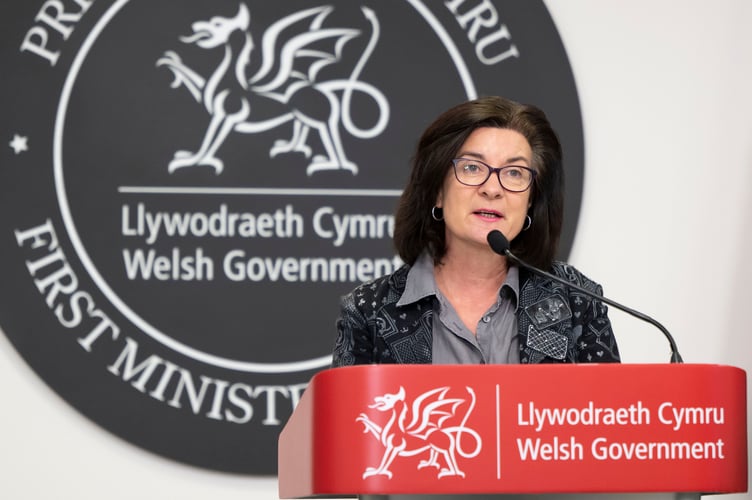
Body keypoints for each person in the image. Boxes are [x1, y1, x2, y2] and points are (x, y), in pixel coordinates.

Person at [332, 96, 620, 366]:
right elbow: (349, 417)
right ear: (437, 192)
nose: (492, 189)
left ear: (531, 201)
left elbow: (607, 414)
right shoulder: (369, 311)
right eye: (472, 168)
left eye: (514, 173)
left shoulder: (577, 301)